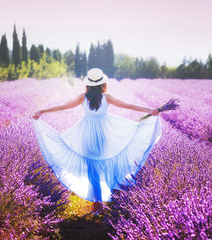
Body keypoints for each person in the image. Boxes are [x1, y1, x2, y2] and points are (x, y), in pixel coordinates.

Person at [31, 68, 162, 212]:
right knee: (107, 162)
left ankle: (98, 202)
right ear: (102, 84)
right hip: (104, 136)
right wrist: (149, 110)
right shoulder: (107, 97)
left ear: (88, 84)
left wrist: (42, 111)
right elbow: (128, 105)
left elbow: (63, 107)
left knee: (92, 168)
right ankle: (114, 196)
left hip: (86, 136)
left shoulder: (83, 96)